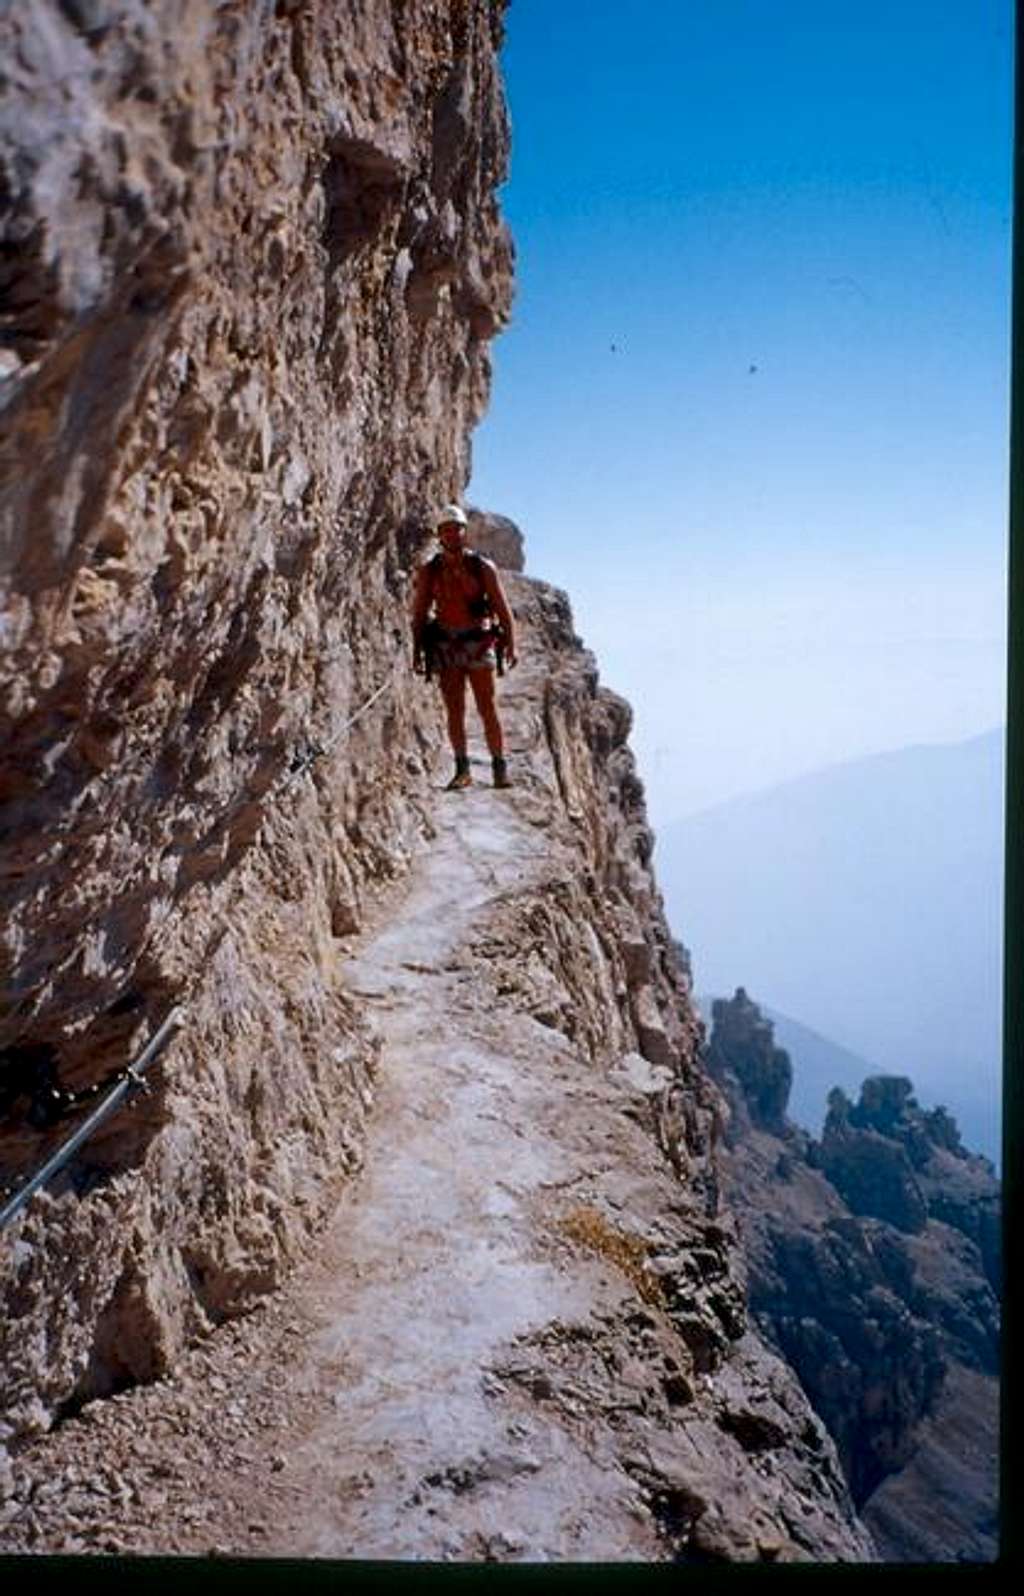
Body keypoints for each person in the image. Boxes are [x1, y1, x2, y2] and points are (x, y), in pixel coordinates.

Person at [411, 504, 518, 789]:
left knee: (487, 707)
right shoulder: (430, 571)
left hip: (478, 642)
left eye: (455, 529)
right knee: (454, 708)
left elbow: (502, 608)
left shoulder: (482, 567)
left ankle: (499, 768)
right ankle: (462, 769)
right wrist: (416, 649)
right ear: (439, 535)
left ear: (463, 532)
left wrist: (511, 645)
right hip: (447, 644)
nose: (451, 535)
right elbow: (420, 613)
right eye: (446, 530)